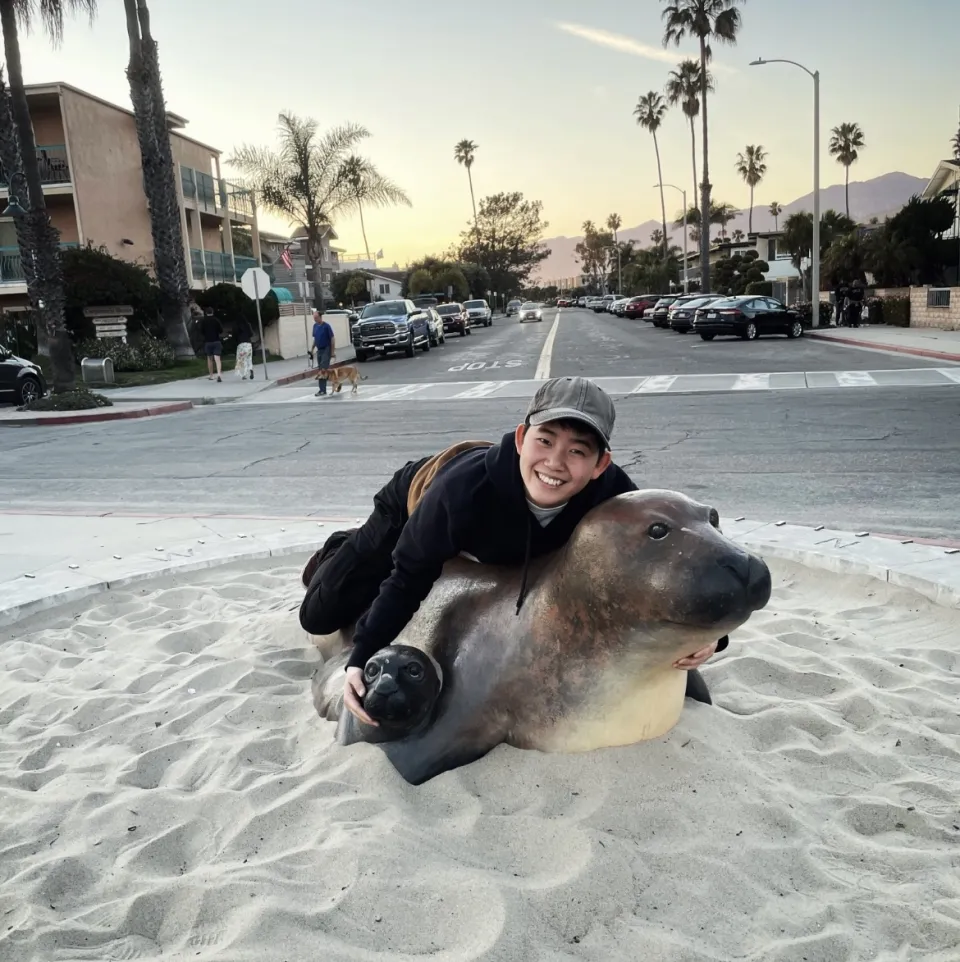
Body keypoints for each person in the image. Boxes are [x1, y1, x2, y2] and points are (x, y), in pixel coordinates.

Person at [299, 376, 726, 726]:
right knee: (318, 614)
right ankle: (338, 548)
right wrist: (361, 656)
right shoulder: (462, 493)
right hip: (414, 500)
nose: (556, 462)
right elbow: (409, 577)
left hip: (491, 539)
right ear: (522, 437)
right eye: (546, 440)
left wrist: (711, 637)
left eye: (578, 450)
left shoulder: (615, 501)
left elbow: (654, 564)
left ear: (600, 465)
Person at [311, 310, 336, 397]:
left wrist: (332, 352)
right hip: (319, 350)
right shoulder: (315, 326)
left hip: (326, 349)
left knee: (322, 369)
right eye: (314, 318)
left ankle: (322, 390)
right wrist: (312, 349)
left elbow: (332, 339)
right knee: (321, 369)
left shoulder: (326, 326)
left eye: (316, 318)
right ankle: (336, 382)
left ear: (320, 317)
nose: (315, 319)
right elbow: (315, 338)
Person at [199, 307, 223, 382]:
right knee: (217, 358)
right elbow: (221, 330)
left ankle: (211, 375)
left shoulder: (203, 321)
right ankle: (219, 374)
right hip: (216, 341)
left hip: (208, 342)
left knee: (209, 359)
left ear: (206, 313)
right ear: (213, 312)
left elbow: (201, 331)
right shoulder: (216, 320)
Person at [233, 315, 255, 380]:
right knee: (249, 358)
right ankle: (251, 369)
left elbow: (234, 336)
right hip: (248, 344)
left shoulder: (236, 326)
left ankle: (244, 375)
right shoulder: (248, 324)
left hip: (241, 345)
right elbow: (251, 334)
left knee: (242, 360)